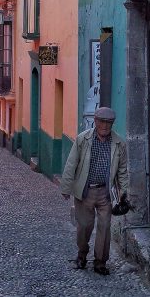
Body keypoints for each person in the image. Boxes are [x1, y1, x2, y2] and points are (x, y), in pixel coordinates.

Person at [60, 107, 129, 276]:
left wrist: (124, 194)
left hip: (105, 193)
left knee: (104, 228)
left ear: (112, 124)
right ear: (96, 121)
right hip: (85, 192)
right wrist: (66, 187)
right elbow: (71, 164)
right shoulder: (82, 140)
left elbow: (122, 172)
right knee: (84, 226)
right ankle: (82, 255)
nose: (105, 126)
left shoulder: (119, 144)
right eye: (102, 122)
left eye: (109, 123)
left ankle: (100, 262)